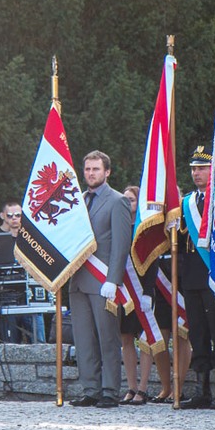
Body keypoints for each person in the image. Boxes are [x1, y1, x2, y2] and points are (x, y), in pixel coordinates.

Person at [68, 150, 132, 408]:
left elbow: (121, 244)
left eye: (96, 169)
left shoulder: (117, 201)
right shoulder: (78, 200)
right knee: (83, 339)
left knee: (107, 338)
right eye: (87, 169)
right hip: (78, 279)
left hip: (103, 280)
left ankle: (109, 390)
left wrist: (113, 280)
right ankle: (90, 389)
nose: (91, 173)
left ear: (107, 172)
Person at [179, 147, 215, 410]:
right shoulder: (186, 203)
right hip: (191, 278)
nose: (196, 173)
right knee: (198, 334)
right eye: (193, 169)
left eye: (202, 168)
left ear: (213, 171)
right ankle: (201, 389)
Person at [117, 186, 172, 406]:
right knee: (126, 338)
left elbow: (152, 262)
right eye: (125, 200)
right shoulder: (119, 226)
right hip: (124, 289)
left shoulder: (145, 228)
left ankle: (143, 388)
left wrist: (148, 292)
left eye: (131, 200)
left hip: (143, 288)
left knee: (146, 339)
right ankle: (131, 386)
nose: (128, 203)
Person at [0, 200, 46, 344]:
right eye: (10, 215)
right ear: (2, 216)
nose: (14, 218)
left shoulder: (31, 236)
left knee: (39, 343)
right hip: (5, 298)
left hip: (30, 297)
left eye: (18, 215)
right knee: (9, 346)